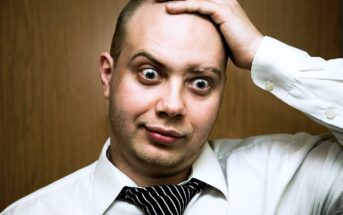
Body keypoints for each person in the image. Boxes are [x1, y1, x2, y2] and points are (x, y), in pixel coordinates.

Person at [2, 0, 342, 214]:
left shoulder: (295, 178)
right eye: (149, 73)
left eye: (200, 83)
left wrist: (261, 53)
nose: (172, 105)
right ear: (108, 75)